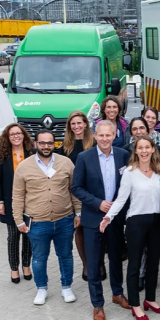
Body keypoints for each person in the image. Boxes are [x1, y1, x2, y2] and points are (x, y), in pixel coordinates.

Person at [100, 136, 160, 320]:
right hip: (136, 221)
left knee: (154, 263)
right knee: (135, 264)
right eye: (141, 148)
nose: (144, 151)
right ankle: (136, 305)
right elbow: (121, 199)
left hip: (157, 220)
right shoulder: (129, 172)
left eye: (148, 147)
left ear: (153, 149)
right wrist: (108, 217)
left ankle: (151, 299)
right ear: (135, 151)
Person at [12, 129, 82, 306]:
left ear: (55, 144)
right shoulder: (24, 167)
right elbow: (18, 195)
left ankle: (66, 287)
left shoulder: (66, 163)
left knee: (65, 255)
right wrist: (18, 220)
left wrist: (78, 212)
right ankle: (41, 288)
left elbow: (74, 190)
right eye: (42, 143)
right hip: (37, 222)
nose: (46, 146)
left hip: (64, 219)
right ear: (36, 144)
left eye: (49, 143)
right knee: (39, 258)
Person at [71, 121, 129, 320]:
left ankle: (117, 293)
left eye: (109, 135)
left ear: (114, 135)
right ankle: (97, 304)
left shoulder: (123, 155)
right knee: (94, 263)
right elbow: (76, 188)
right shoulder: (84, 158)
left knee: (116, 258)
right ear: (95, 136)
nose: (105, 139)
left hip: (115, 219)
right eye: (101, 135)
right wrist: (98, 203)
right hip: (93, 218)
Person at [0, 123, 34, 284]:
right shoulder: (2, 155)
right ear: (7, 138)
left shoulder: (32, 153)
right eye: (12, 134)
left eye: (19, 133)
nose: (16, 136)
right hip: (10, 202)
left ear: (24, 135)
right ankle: (14, 269)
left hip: (29, 201)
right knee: (13, 236)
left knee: (28, 235)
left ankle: (26, 266)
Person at [59, 111, 94, 279]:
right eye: (73, 124)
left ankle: (98, 264)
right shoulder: (65, 147)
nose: (77, 126)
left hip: (93, 192)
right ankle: (86, 264)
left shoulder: (94, 143)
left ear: (86, 124)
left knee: (95, 230)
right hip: (74, 193)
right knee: (79, 228)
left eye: (79, 123)